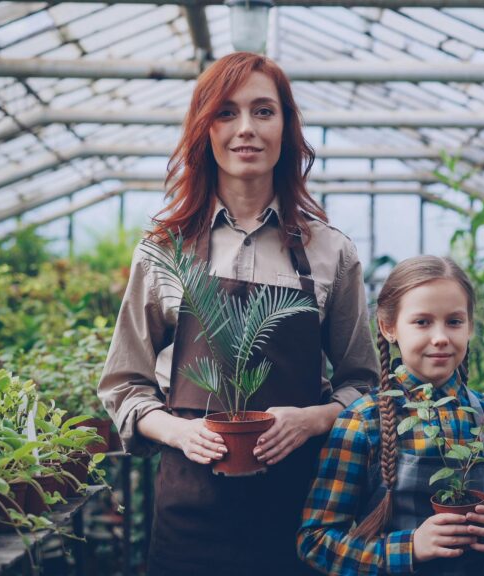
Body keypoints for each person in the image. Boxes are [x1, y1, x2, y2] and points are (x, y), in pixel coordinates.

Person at [97, 52, 378, 575]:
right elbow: (124, 385)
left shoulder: (330, 253)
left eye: (263, 111)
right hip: (189, 517)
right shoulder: (164, 249)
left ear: (286, 129)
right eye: (226, 112)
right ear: (204, 129)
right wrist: (178, 431)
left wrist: (312, 419)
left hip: (303, 514)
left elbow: (364, 383)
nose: (245, 129)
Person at [297, 256, 484, 575]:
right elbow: (315, 541)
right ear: (388, 327)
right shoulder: (364, 421)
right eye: (422, 322)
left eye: (454, 321)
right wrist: (409, 548)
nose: (440, 337)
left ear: (470, 327)